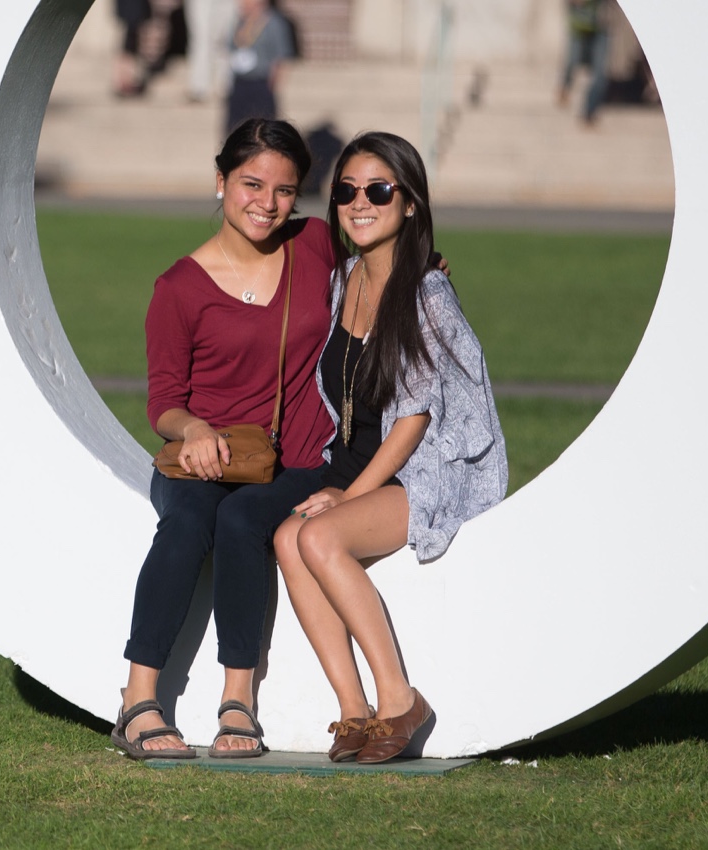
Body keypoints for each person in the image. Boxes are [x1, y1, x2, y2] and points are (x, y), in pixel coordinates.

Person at [272, 131, 506, 764]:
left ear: (410, 204)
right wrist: (338, 482)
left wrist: (349, 496)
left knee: (318, 537)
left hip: (425, 471)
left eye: (379, 189)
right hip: (361, 468)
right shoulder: (345, 277)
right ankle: (353, 713)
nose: (359, 202)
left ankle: (400, 703)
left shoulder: (427, 296)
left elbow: (414, 420)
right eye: (347, 190)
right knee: (286, 540)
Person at [112, 119, 339, 760]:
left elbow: (384, 262)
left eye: (285, 190)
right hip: (199, 458)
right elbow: (163, 402)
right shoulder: (178, 288)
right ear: (220, 182)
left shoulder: (316, 244)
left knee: (242, 522)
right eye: (251, 184)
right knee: (185, 526)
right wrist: (193, 430)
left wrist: (426, 268)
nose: (267, 204)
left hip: (293, 457)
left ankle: (238, 700)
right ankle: (137, 699)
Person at [223, 0, 295, 136]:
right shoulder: (239, 22)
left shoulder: (274, 23)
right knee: (234, 130)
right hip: (239, 82)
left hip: (261, 83)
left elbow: (281, 58)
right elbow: (230, 49)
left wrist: (275, 83)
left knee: (262, 132)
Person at [557, 0, 611, 126]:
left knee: (600, 74)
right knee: (572, 61)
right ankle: (565, 86)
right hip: (579, 25)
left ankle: (589, 112)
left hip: (602, 25)